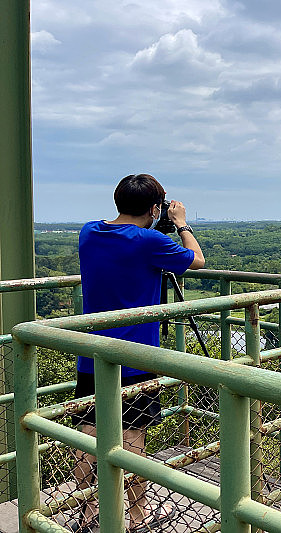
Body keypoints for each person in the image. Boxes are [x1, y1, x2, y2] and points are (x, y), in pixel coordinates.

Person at [70, 174, 205, 533]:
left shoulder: (88, 232)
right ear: (155, 207)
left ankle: (84, 513)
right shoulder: (150, 240)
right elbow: (197, 260)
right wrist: (180, 223)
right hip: (135, 356)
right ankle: (137, 517)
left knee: (88, 434)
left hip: (92, 353)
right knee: (132, 438)